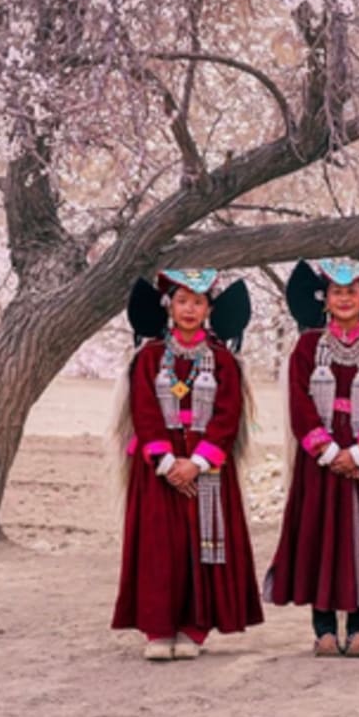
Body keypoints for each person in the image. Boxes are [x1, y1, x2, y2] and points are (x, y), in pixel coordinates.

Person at [264, 258, 359, 656]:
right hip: (320, 458)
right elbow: (299, 401)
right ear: (325, 298)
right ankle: (324, 629)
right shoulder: (307, 346)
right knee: (320, 535)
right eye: (336, 292)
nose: (344, 299)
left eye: (352, 292)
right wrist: (328, 450)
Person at [112, 267, 263, 660]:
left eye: (198, 302)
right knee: (159, 545)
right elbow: (144, 410)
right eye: (182, 301)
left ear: (209, 308)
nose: (190, 309)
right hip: (158, 466)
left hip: (207, 466)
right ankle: (158, 629)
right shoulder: (148, 357)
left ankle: (194, 629)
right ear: (169, 306)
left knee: (204, 542)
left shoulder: (223, 360)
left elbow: (228, 415)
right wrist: (166, 462)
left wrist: (196, 462)